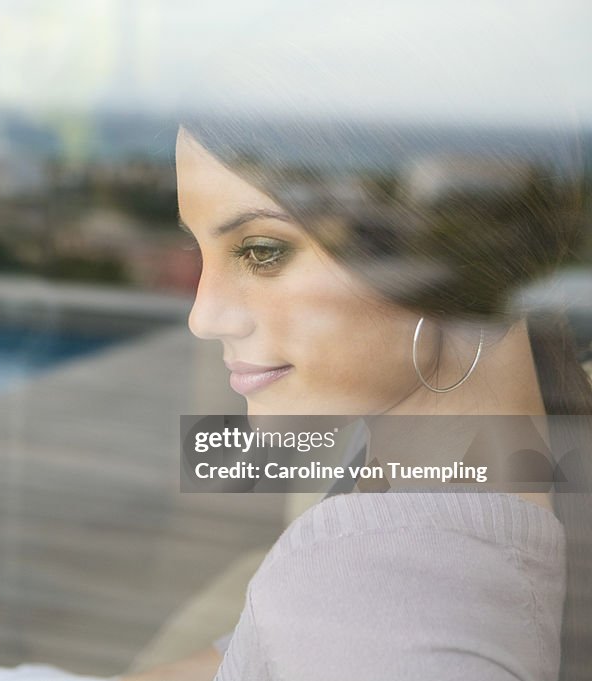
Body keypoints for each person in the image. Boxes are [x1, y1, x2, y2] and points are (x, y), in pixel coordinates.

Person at [121, 109, 591, 680]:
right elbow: (249, 650)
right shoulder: (503, 447)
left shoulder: (364, 587)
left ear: (441, 276)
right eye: (204, 250)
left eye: (262, 251)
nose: (203, 316)